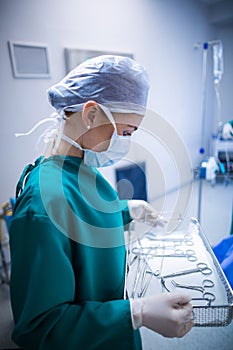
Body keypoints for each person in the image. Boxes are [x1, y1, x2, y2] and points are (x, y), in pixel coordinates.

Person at [9, 55, 193, 350]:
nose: (126, 142)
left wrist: (126, 210)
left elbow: (81, 217)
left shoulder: (78, 168)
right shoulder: (42, 204)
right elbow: (40, 327)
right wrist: (136, 313)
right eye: (126, 132)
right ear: (91, 115)